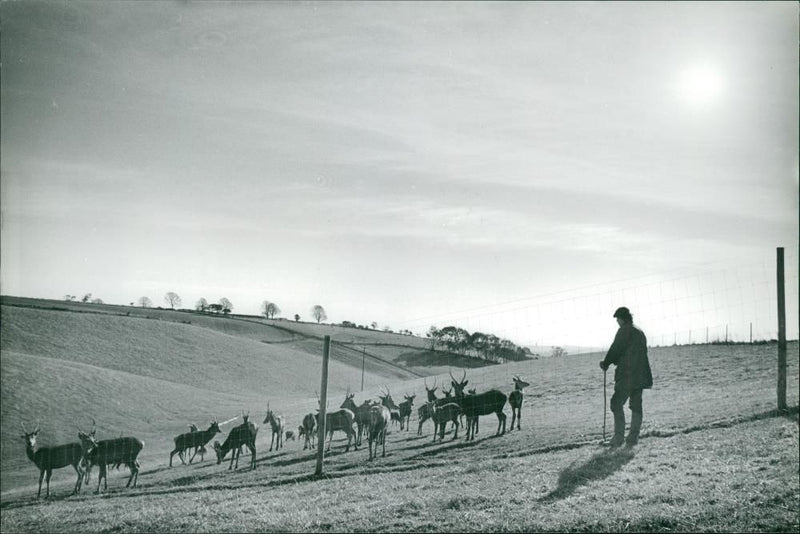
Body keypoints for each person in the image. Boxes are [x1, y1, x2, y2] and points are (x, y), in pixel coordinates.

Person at [600, 307, 653, 448]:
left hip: (627, 375)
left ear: (622, 319)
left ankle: (618, 438)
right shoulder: (640, 332)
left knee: (616, 403)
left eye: (618, 319)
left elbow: (615, 348)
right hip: (641, 376)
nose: (617, 322)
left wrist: (606, 363)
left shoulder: (624, 330)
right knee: (636, 406)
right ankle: (633, 438)